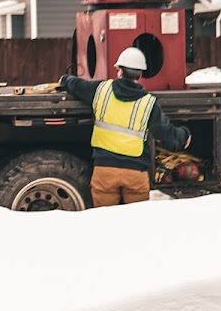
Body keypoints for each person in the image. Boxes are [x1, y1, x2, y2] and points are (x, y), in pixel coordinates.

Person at [60, 47, 191, 207]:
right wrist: (184, 136)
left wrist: (65, 80)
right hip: (135, 174)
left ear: (119, 70)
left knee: (104, 220)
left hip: (105, 170)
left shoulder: (101, 90)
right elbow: (166, 134)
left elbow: (77, 85)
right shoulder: (148, 103)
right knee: (134, 224)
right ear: (141, 74)